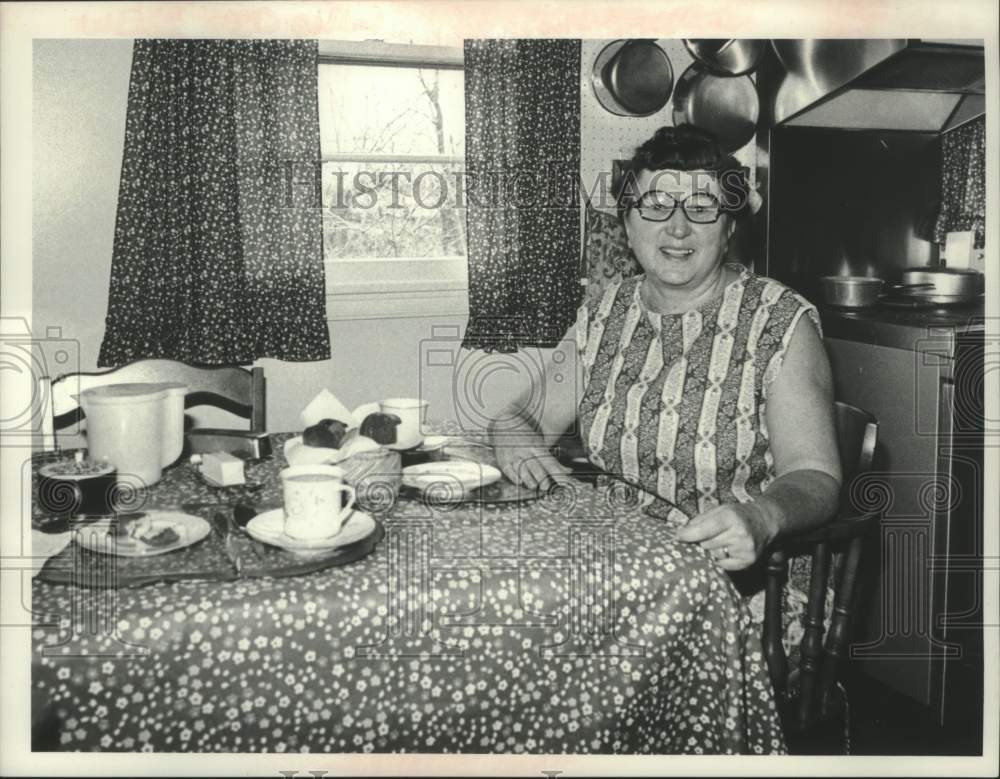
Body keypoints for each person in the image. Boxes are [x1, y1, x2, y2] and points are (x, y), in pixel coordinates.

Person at [492, 124, 841, 572]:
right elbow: (521, 416)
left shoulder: (778, 321)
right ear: (627, 223)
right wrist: (512, 438)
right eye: (655, 206)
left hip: (741, 581)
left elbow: (816, 475)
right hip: (620, 562)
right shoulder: (605, 313)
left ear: (729, 226)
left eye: (702, 207)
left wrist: (761, 517)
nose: (678, 228)